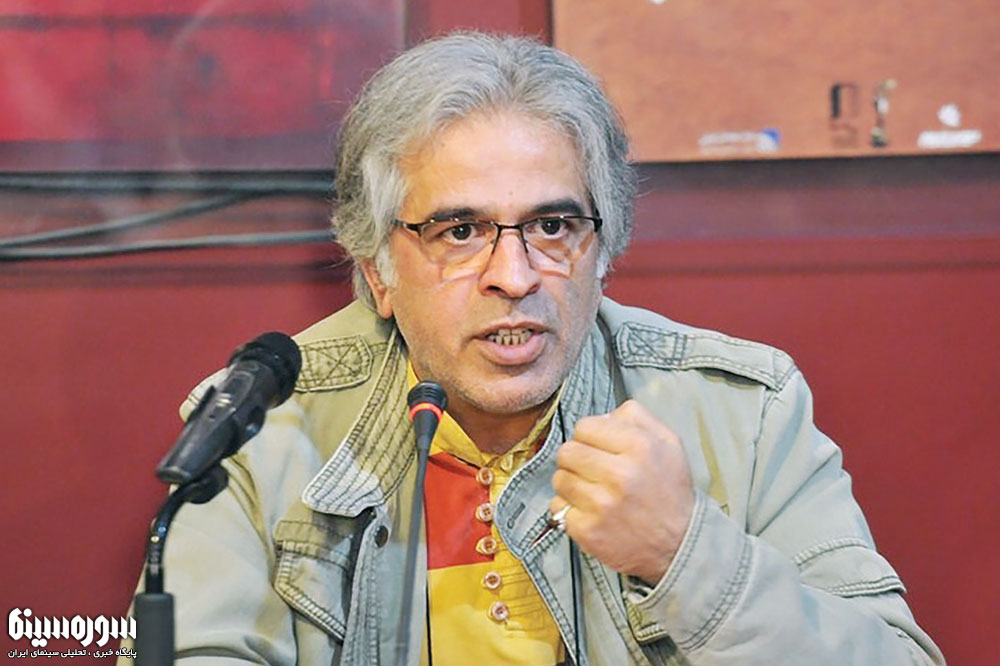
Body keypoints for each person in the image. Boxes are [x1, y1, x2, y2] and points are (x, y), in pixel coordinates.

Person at [126, 32, 945, 665]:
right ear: (378, 271)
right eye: (459, 232)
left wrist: (686, 555)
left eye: (553, 226)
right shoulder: (261, 430)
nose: (514, 277)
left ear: (604, 249)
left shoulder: (745, 411)